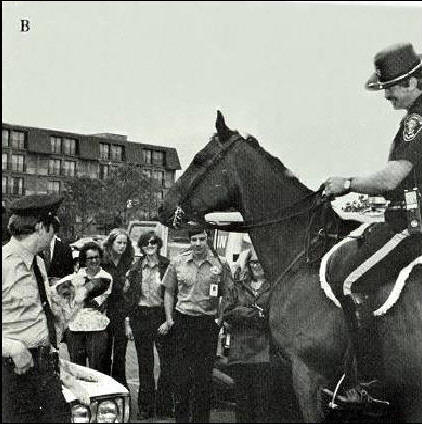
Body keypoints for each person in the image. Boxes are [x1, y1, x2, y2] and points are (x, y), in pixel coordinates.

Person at [322, 43, 422, 409]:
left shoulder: (416, 120)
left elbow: (394, 176)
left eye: (392, 87)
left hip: (411, 227)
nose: (387, 96)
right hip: (402, 216)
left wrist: (347, 183)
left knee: (350, 284)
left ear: (413, 81)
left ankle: (370, 384)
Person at [2, 194, 71, 422]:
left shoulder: (38, 262)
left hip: (44, 368)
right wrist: (10, 347)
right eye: (52, 232)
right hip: (12, 371)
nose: (52, 239)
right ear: (41, 227)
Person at [160, 225, 233, 423]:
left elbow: (227, 293)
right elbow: (168, 291)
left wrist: (219, 318)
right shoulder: (179, 262)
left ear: (207, 238)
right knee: (181, 377)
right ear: (189, 241)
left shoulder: (219, 263)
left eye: (201, 239)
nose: (198, 243)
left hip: (207, 324)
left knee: (203, 379)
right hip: (183, 322)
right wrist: (169, 318)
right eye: (194, 240)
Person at [223, 247, 273, 423]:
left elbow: (273, 316)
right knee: (242, 404)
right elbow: (227, 313)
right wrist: (254, 314)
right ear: (248, 264)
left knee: (262, 404)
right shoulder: (238, 287)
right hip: (240, 353)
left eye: (260, 262)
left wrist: (242, 313)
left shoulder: (273, 287)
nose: (257, 266)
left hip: (264, 354)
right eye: (253, 262)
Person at [125, 232, 172, 419]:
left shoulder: (167, 265)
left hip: (160, 315)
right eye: (146, 243)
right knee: (145, 365)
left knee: (166, 363)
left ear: (158, 245)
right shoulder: (135, 268)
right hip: (141, 317)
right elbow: (129, 298)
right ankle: (145, 407)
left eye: (153, 242)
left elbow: (172, 294)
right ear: (142, 247)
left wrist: (168, 320)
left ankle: (163, 406)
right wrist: (128, 322)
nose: (150, 246)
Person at [63, 241, 112, 374]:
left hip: (97, 329)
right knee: (77, 371)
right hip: (75, 328)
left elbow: (96, 302)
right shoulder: (76, 276)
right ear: (84, 259)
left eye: (97, 257)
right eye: (90, 258)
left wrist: (76, 296)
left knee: (96, 371)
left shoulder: (106, 277)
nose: (94, 260)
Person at [101, 228, 134, 388]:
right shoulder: (103, 261)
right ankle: (105, 386)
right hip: (106, 310)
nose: (122, 246)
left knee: (120, 352)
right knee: (105, 351)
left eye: (125, 243)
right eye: (119, 242)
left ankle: (120, 384)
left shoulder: (129, 262)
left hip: (122, 310)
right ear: (111, 243)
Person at [41, 216, 74, 281]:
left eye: (48, 227)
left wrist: (59, 281)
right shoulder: (35, 249)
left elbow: (70, 275)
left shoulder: (65, 249)